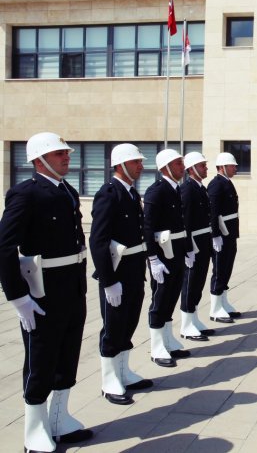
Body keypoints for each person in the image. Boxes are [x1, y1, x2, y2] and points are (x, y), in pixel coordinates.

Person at [0, 132, 93, 451]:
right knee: (41, 361)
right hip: (43, 294)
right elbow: (5, 247)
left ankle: (60, 419)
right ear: (39, 160)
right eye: (58, 154)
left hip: (72, 288)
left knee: (67, 356)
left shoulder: (66, 190)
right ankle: (35, 430)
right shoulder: (25, 194)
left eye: (66, 152)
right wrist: (18, 297)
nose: (66, 157)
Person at [90, 144, 153, 406]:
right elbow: (98, 240)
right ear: (120, 165)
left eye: (140, 161)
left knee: (129, 323)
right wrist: (108, 281)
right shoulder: (109, 194)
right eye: (135, 161)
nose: (140, 166)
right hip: (117, 273)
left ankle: (124, 372)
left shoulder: (129, 193)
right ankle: (109, 380)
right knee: (113, 327)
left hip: (134, 269)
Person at [144, 149, 193, 367]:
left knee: (172, 296)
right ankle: (156, 347)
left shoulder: (175, 190)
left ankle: (167, 340)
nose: (182, 167)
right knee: (160, 299)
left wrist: (188, 248)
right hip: (163, 255)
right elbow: (147, 227)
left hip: (177, 252)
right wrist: (153, 259)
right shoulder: (157, 191)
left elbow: (182, 224)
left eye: (181, 163)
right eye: (177, 164)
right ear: (165, 168)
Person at [179, 152, 217, 341]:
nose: (206, 168)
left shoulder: (200, 188)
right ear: (192, 169)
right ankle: (186, 325)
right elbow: (185, 221)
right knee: (190, 284)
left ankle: (193, 319)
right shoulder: (187, 189)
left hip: (203, 241)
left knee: (199, 283)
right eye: (202, 165)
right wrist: (188, 248)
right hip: (194, 242)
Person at [208, 152, 242, 322]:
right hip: (221, 235)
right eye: (232, 165)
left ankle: (223, 302)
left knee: (227, 268)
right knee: (219, 269)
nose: (235, 168)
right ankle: (215, 308)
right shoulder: (216, 185)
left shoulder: (227, 183)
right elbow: (213, 212)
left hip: (229, 234)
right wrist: (215, 235)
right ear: (222, 167)